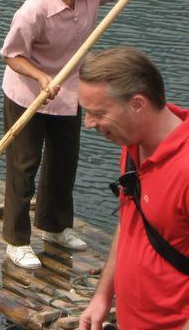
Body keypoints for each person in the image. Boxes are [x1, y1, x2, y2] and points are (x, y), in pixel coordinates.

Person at [0, 0, 188, 269]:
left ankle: (54, 227)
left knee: (64, 162)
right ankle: (16, 240)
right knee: (24, 166)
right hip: (29, 94)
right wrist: (42, 77)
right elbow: (12, 55)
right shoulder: (34, 10)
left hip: (68, 92)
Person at [77, 47, 189, 329]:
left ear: (137, 104)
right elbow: (132, 223)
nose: (88, 124)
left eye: (97, 113)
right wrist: (103, 294)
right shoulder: (131, 147)